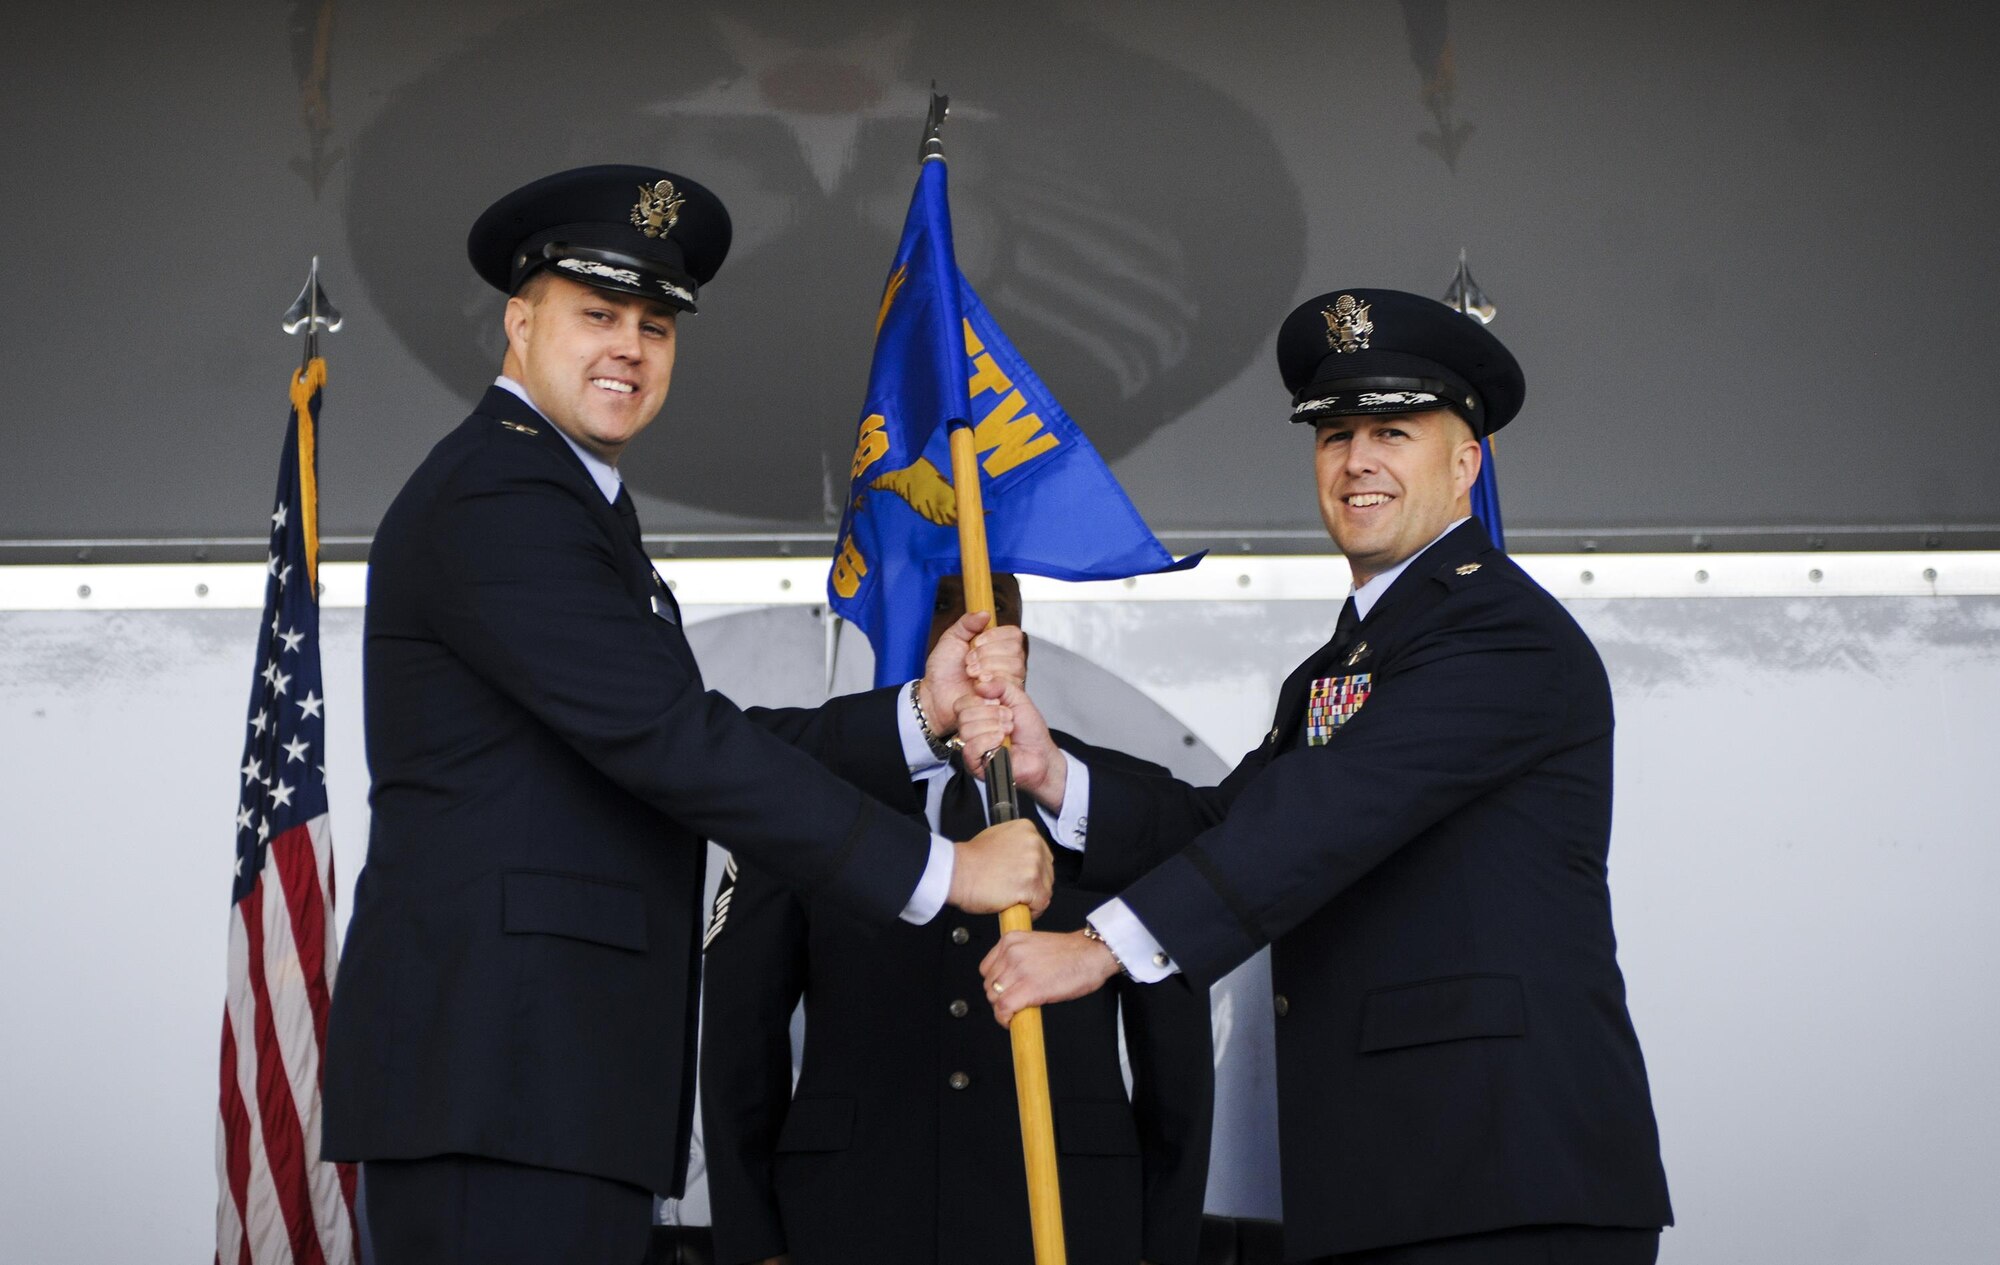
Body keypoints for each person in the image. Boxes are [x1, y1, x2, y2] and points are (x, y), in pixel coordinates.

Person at [321, 165, 1053, 1265]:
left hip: (547, 1088)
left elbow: (679, 724)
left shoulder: (567, 499)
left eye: (654, 326)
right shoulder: (501, 495)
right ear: (518, 323)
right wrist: (943, 873)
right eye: (596, 314)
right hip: (501, 1082)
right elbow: (672, 743)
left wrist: (918, 711)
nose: (628, 345)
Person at [972, 290, 1674, 1264]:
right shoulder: (1345, 661)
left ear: (1466, 460)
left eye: (1393, 429)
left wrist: (1101, 946)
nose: (1357, 461)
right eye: (1334, 434)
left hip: (1501, 1183)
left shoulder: (1499, 635)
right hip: (1383, 1183)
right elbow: (1231, 819)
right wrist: (1057, 775)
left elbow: (1318, 816)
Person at [700, 574, 1214, 1265]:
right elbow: (741, 1031)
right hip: (852, 1214)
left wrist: (1165, 1242)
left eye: (996, 598)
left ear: (1022, 628)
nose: (975, 619)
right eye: (943, 598)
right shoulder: (811, 791)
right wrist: (754, 1241)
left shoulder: (1124, 801)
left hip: (1069, 1216)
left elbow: (1175, 1056)